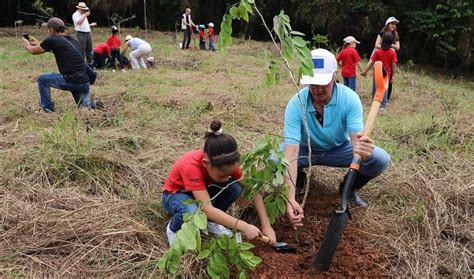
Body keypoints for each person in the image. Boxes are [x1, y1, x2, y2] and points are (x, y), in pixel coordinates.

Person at [282, 48, 390, 228]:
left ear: (334, 75)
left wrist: (362, 151)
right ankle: (299, 181)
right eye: (312, 83)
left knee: (380, 159)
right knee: (274, 159)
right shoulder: (296, 103)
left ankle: (348, 188)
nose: (317, 89)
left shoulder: (349, 99)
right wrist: (290, 198)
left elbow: (356, 142)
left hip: (339, 149)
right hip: (304, 150)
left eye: (322, 83)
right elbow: (291, 152)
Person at [163, 120, 277, 246]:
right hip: (177, 195)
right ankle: (173, 229)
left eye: (230, 174)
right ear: (206, 164)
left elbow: (253, 189)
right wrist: (244, 227)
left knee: (235, 188)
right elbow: (207, 208)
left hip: (201, 191)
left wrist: (266, 225)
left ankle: (210, 222)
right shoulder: (191, 166)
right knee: (191, 210)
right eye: (222, 175)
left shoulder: (226, 162)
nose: (227, 178)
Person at [22, 17, 100, 113]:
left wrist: (27, 44)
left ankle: (48, 109)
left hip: (71, 81)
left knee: (42, 79)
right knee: (85, 108)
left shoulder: (53, 40)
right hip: (84, 82)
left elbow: (32, 51)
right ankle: (94, 104)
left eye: (48, 28)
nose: (47, 31)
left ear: (52, 30)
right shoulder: (72, 40)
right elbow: (58, 50)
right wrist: (39, 44)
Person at [361, 33, 398, 109]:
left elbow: (371, 63)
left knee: (375, 89)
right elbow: (393, 65)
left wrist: (365, 72)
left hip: (376, 74)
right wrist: (393, 75)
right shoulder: (392, 52)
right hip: (386, 75)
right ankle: (383, 106)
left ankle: (375, 104)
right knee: (384, 90)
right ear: (391, 42)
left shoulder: (377, 52)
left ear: (382, 41)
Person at [373, 16, 400, 101]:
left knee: (390, 74)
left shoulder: (395, 35)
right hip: (381, 55)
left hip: (390, 57)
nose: (393, 26)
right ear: (387, 24)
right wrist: (385, 45)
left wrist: (389, 45)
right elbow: (376, 44)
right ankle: (377, 94)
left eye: (394, 24)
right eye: (392, 24)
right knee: (378, 74)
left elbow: (398, 47)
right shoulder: (381, 33)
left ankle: (386, 97)